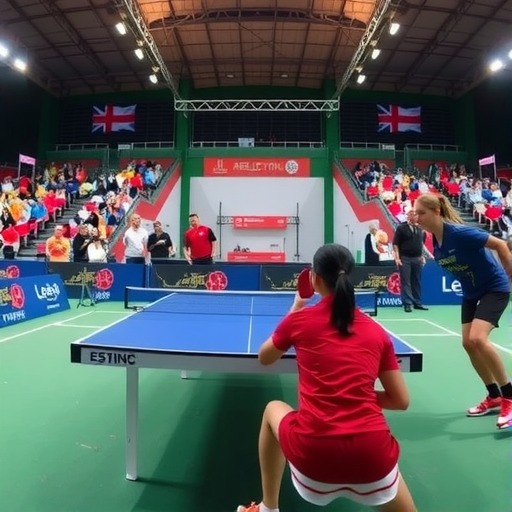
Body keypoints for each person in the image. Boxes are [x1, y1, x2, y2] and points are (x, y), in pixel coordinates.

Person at [237, 244, 416, 512]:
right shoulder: (377, 332)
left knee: (272, 408)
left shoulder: (299, 321)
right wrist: (355, 392)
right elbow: (401, 401)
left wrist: (297, 306)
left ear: (314, 278)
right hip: (373, 457)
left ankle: (268, 507)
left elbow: (265, 357)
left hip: (313, 460)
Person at [414, 193, 512, 429]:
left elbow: (499, 244)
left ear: (436, 211)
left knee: (478, 339)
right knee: (467, 343)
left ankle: (509, 396)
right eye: (416, 213)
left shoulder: (460, 233)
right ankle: (494, 395)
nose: (417, 218)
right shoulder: (435, 242)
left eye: (421, 213)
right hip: (470, 293)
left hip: (494, 288)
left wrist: (510, 273)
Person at [392, 209, 428, 312]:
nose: (414, 216)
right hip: (405, 258)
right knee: (406, 281)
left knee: (416, 280)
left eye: (415, 215)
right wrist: (397, 258)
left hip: (417, 258)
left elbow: (421, 244)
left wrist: (422, 256)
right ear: (407, 216)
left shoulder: (421, 229)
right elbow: (395, 244)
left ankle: (417, 303)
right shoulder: (401, 228)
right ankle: (407, 304)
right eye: (411, 214)